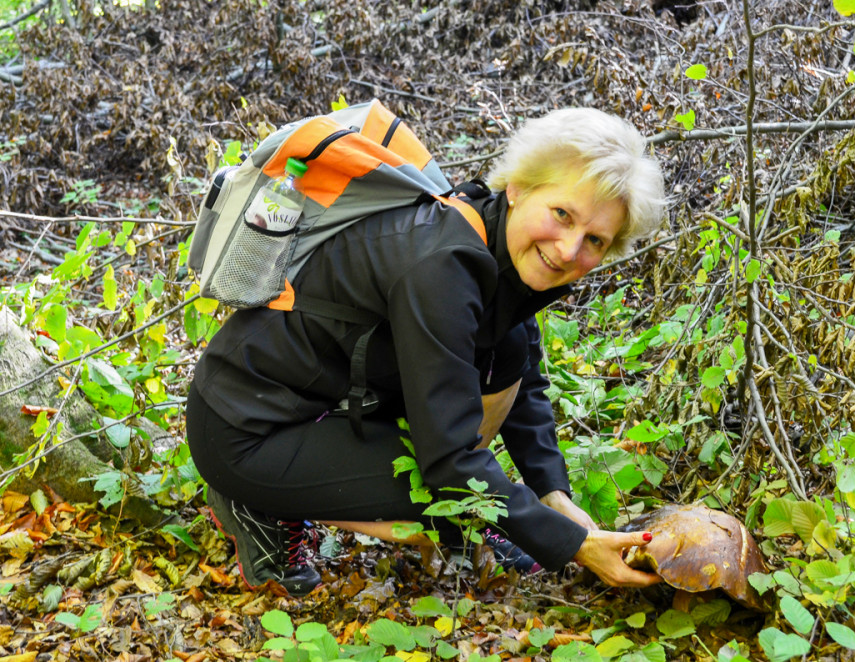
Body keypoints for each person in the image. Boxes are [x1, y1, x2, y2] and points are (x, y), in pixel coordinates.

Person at [186, 107, 666, 596]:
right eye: (562, 214)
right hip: (242, 429)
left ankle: (480, 522)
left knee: (504, 371)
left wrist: (555, 497)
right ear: (519, 187)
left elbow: (524, 380)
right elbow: (451, 462)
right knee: (438, 496)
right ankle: (251, 502)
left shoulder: (493, 236)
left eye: (594, 240)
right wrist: (575, 543)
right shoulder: (443, 266)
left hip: (315, 407)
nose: (568, 249)